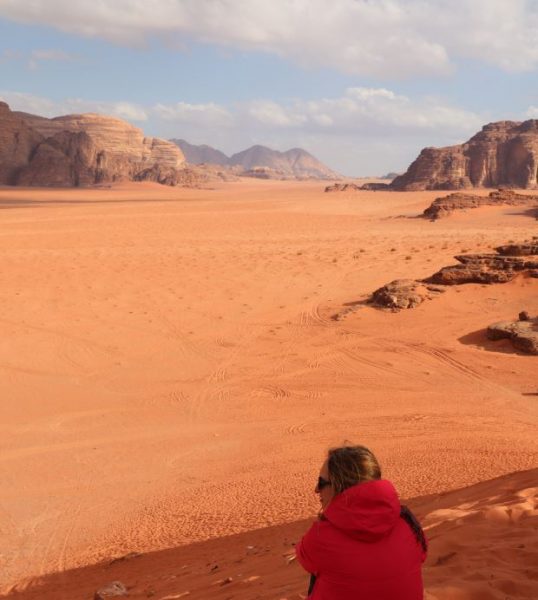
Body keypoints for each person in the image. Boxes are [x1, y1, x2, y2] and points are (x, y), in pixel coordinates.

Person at [296, 445, 427, 599]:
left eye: (321, 482)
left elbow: (304, 557)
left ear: (340, 486)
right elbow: (422, 555)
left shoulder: (321, 535)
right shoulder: (408, 523)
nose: (316, 489)